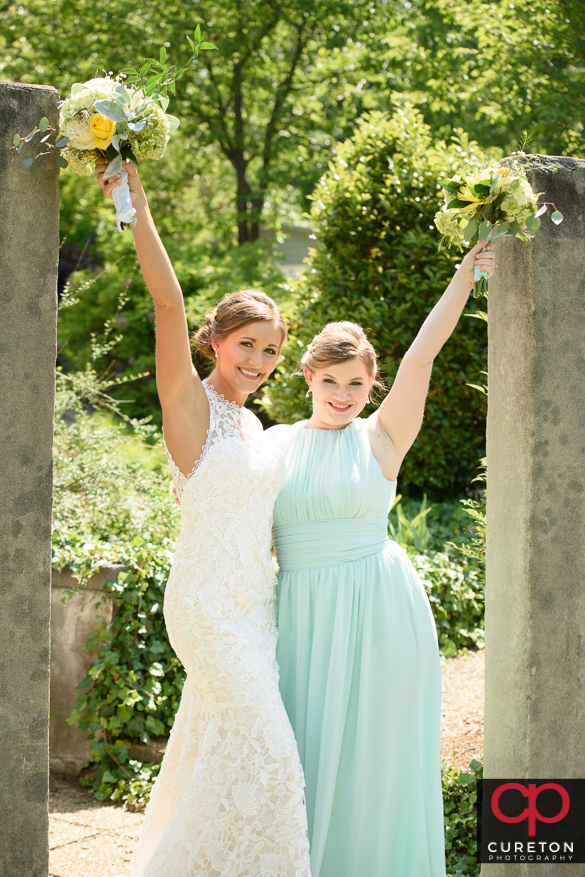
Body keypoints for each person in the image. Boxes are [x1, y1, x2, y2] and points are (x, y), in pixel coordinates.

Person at [95, 158, 311, 877]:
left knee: (218, 754)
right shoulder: (191, 408)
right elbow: (165, 303)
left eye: (272, 349)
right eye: (247, 343)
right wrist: (136, 206)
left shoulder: (257, 429)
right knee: (273, 755)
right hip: (206, 610)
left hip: (256, 610)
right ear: (215, 340)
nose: (259, 359)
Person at [267, 241, 495, 877]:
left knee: (377, 756)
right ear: (308, 376)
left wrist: (464, 273)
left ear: (373, 386)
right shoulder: (275, 445)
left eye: (358, 384)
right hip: (302, 618)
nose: (343, 395)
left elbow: (422, 355)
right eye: (332, 381)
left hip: (383, 611)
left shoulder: (383, 436)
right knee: (303, 757)